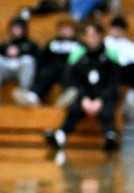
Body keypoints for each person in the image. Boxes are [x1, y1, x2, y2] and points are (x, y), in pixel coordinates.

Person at [44, 21, 122, 152]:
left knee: (108, 107)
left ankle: (110, 136)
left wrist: (100, 99)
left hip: (103, 95)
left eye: (95, 35)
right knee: (74, 107)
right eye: (89, 35)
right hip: (83, 94)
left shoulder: (110, 55)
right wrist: (83, 98)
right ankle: (61, 136)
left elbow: (114, 82)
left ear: (101, 35)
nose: (92, 39)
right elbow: (70, 80)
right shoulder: (77, 54)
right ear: (84, 37)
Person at [21, 17, 81, 106]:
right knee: (46, 72)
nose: (65, 31)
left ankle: (66, 96)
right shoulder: (52, 43)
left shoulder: (78, 44)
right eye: (62, 28)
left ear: (74, 30)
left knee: (68, 72)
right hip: (52, 69)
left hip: (69, 69)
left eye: (68, 28)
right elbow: (42, 58)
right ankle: (33, 96)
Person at [0, 16, 40, 106]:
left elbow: (37, 60)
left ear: (24, 30)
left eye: (19, 28)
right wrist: (7, 54)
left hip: (21, 68)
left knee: (28, 60)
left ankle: (23, 92)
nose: (16, 30)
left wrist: (20, 53)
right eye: (14, 28)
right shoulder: (4, 45)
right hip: (6, 68)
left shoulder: (31, 45)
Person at [105, 15, 134, 114]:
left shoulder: (129, 45)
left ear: (123, 31)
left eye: (119, 29)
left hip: (125, 71)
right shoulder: (104, 43)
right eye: (115, 29)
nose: (117, 32)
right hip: (109, 71)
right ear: (110, 29)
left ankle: (131, 96)